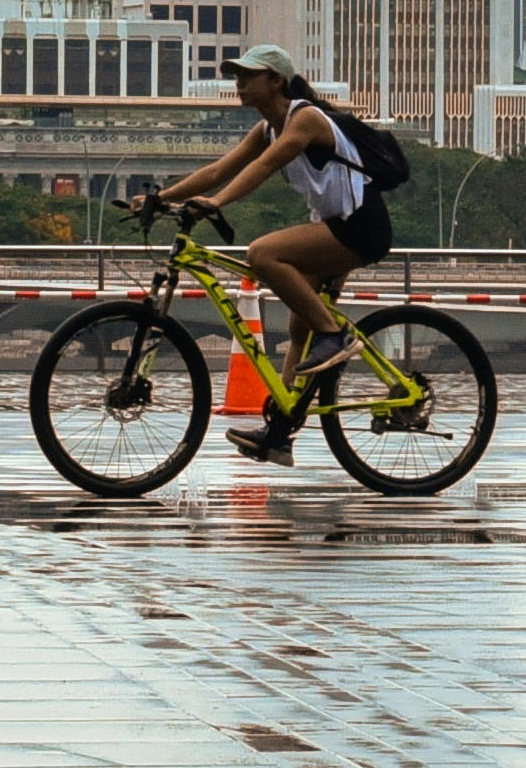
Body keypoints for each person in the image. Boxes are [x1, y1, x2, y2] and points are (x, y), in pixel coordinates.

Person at [137, 45, 398, 465]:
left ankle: (336, 337)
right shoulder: (266, 128)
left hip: (359, 227)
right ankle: (279, 433)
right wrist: (156, 199)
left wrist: (216, 202)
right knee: (300, 328)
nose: (238, 84)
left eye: (247, 76)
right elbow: (217, 170)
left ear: (276, 80)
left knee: (262, 255)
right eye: (236, 76)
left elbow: (260, 170)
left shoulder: (305, 118)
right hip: (334, 226)